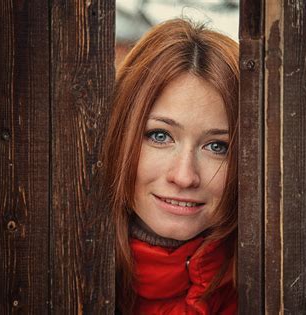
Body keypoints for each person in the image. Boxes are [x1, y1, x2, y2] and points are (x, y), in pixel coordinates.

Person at [103, 18, 239, 314]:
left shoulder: (266, 290)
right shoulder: (52, 276)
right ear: (119, 136)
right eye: (160, 136)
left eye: (217, 146)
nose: (184, 176)